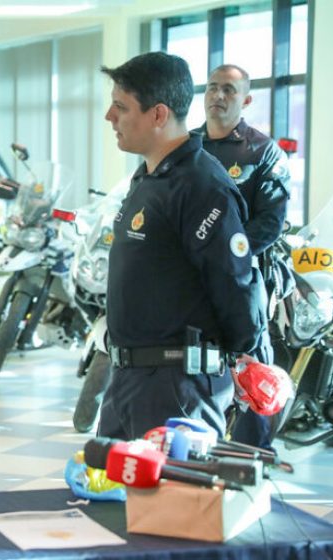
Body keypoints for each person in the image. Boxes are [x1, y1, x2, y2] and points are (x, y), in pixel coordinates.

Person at [97, 52, 264, 440]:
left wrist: (238, 354)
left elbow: (233, 280)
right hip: (128, 381)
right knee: (112, 499)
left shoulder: (201, 184)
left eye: (121, 107)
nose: (110, 116)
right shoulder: (148, 178)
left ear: (158, 115)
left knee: (173, 500)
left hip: (175, 388)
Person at [194, 64, 290, 449]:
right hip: (190, 280)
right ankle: (197, 451)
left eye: (229, 90)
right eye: (213, 88)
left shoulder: (263, 151)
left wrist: (224, 258)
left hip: (242, 281)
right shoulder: (186, 147)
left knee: (249, 368)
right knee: (192, 367)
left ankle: (255, 457)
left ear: (246, 99)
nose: (219, 95)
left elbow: (271, 222)